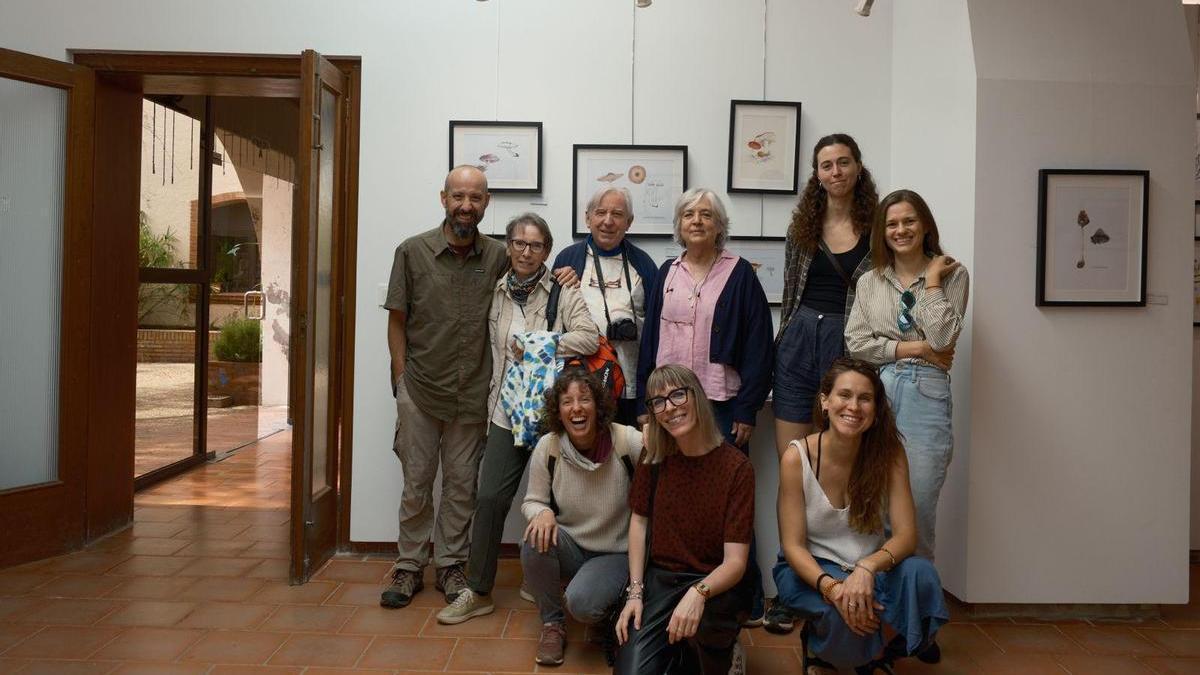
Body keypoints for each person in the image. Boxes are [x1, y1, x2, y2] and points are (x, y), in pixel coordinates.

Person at [436, 212, 599, 625]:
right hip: (505, 411)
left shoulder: (563, 290)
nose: (527, 252)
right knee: (490, 498)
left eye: (536, 245)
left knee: (560, 503)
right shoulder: (493, 289)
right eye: (520, 243)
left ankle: (544, 576)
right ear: (508, 247)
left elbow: (588, 337)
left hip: (553, 416)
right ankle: (478, 590)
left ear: (547, 250)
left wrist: (538, 344)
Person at [636, 187, 773, 625]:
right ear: (679, 225)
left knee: (730, 502)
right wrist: (645, 407)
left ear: (719, 226)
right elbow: (650, 341)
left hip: (721, 404)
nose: (697, 221)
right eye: (689, 214)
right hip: (669, 404)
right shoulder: (666, 272)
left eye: (706, 215)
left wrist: (747, 409)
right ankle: (673, 587)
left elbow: (759, 344)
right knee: (673, 494)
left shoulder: (740, 274)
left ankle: (748, 600)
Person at [381, 165, 508, 609]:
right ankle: (408, 566)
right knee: (416, 483)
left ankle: (452, 564)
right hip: (420, 389)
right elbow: (397, 320)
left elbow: (532, 283)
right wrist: (401, 379)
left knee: (461, 486)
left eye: (475, 198)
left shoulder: (499, 257)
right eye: (458, 196)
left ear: (486, 203)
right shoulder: (411, 252)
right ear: (444, 199)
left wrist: (564, 275)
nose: (466, 206)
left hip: (473, 393)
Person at [773, 358, 948, 673]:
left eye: (865, 398)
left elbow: (907, 536)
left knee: (922, 575)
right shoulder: (797, 457)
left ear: (876, 410)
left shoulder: (890, 454)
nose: (854, 406)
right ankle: (827, 644)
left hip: (870, 568)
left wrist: (867, 568)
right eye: (844, 395)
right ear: (825, 401)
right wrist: (833, 588)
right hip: (813, 570)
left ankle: (873, 651)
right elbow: (793, 546)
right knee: (843, 617)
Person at [845, 188, 968, 564]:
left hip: (926, 391)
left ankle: (916, 598)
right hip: (878, 389)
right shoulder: (870, 281)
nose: (901, 230)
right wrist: (916, 348)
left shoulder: (953, 274)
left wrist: (931, 282)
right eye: (892, 224)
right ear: (882, 232)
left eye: (909, 221)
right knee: (875, 503)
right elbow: (856, 343)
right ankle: (876, 592)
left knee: (918, 506)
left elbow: (943, 339)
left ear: (925, 225)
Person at [615, 365, 755, 675]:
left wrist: (698, 593)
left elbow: (735, 562)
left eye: (677, 395)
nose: (669, 407)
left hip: (716, 582)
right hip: (662, 579)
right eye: (658, 401)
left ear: (698, 396)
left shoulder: (737, 468)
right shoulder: (654, 457)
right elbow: (638, 524)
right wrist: (635, 593)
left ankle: (724, 648)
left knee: (702, 640)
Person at [519, 369, 639, 666]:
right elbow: (532, 500)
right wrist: (543, 511)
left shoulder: (627, 441)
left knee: (583, 604)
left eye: (585, 399)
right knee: (533, 539)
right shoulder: (549, 447)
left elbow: (666, 464)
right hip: (572, 545)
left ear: (598, 406)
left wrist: (657, 437)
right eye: (567, 401)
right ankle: (552, 625)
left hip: (617, 552)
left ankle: (612, 604)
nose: (576, 408)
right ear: (558, 412)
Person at [773, 134, 878, 456]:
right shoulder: (802, 227)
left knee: (837, 458)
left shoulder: (878, 228)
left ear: (858, 167)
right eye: (827, 165)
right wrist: (786, 335)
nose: (836, 172)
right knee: (792, 456)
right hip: (798, 341)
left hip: (848, 342)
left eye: (843, 163)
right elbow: (790, 290)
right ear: (817, 174)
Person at [552, 186, 659, 425]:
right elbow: (553, 323)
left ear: (629, 222)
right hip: (579, 388)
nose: (608, 221)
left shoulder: (644, 265)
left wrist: (647, 396)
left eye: (617, 214)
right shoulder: (568, 260)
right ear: (587, 218)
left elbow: (656, 333)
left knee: (626, 446)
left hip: (630, 387)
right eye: (600, 213)